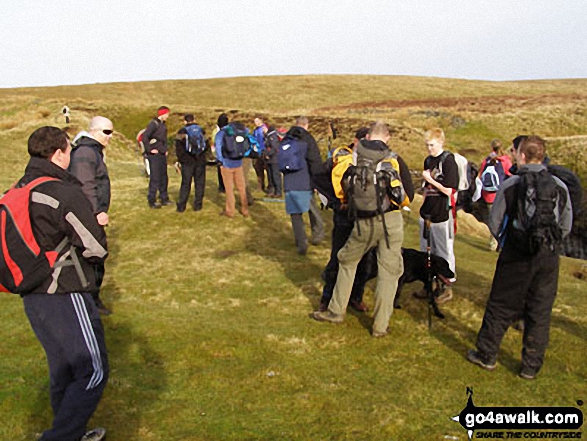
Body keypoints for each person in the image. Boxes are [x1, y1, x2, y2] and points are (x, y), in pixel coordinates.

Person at [18, 126, 109, 441]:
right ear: (58, 154)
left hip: (31, 293)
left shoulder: (17, 190)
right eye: (68, 151)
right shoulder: (62, 192)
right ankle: (60, 437)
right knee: (93, 370)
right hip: (64, 290)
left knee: (63, 370)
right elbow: (94, 248)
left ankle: (72, 432)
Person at [467, 135, 572, 379]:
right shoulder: (559, 186)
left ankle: (487, 354)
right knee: (540, 309)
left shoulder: (512, 184)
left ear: (522, 156)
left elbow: (494, 222)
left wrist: (506, 241)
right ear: (543, 156)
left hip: (515, 253)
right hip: (548, 256)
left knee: (501, 304)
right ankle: (530, 366)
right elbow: (565, 225)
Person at [311, 121, 414, 337]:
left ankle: (336, 310)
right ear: (387, 138)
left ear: (367, 137)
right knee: (389, 272)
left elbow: (333, 183)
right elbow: (407, 197)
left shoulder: (351, 157)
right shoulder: (393, 160)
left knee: (347, 261)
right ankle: (380, 327)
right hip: (391, 222)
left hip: (362, 221)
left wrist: (341, 202)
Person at [318, 127, 373, 312]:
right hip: (344, 218)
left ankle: (356, 297)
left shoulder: (373, 159)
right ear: (356, 141)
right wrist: (335, 202)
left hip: (365, 218)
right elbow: (319, 177)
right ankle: (327, 300)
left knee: (365, 261)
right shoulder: (341, 156)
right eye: (365, 141)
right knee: (338, 258)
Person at [69, 116, 113, 316]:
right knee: (94, 256)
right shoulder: (86, 152)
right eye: (106, 132)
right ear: (94, 131)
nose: (110, 137)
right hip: (88, 216)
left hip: (90, 215)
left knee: (94, 256)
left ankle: (90, 300)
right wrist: (96, 212)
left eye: (111, 132)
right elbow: (85, 184)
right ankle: (90, 302)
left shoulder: (91, 151)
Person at [416, 128, 459, 304]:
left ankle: (446, 286)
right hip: (427, 212)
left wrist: (431, 180)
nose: (429, 149)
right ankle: (429, 284)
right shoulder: (428, 160)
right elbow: (427, 188)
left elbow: (449, 190)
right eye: (427, 145)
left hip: (442, 213)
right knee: (426, 250)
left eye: (432, 145)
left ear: (441, 142)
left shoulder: (448, 161)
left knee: (443, 252)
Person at [282, 116, 325, 255]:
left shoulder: (286, 138)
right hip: (305, 181)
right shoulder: (308, 139)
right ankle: (317, 235)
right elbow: (315, 161)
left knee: (296, 215)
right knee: (312, 209)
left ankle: (301, 243)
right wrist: (318, 180)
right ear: (306, 125)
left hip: (290, 181)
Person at [479, 139, 513, 250]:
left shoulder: (487, 160)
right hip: (501, 195)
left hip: (488, 195)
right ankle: (501, 244)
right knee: (502, 219)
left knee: (492, 219)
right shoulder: (505, 161)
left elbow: (480, 175)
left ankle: (493, 244)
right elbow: (511, 174)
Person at [215, 115, 249, 218]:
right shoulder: (240, 130)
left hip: (227, 163)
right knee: (241, 188)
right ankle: (245, 210)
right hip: (238, 162)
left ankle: (230, 211)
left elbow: (218, 147)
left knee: (229, 189)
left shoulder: (221, 133)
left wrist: (220, 161)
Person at [175, 114, 207, 212]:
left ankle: (181, 206)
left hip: (187, 162)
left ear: (185, 121)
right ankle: (198, 205)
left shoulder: (181, 132)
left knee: (186, 183)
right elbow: (206, 146)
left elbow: (178, 149)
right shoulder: (201, 131)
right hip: (200, 160)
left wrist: (181, 160)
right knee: (200, 183)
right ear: (194, 120)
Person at [143, 106, 172, 209]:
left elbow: (163, 139)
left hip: (162, 154)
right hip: (154, 155)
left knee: (164, 177)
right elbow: (145, 137)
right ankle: (152, 199)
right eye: (167, 114)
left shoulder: (162, 124)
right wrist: (150, 149)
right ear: (162, 114)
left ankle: (164, 197)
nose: (168, 116)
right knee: (155, 177)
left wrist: (165, 150)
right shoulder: (153, 124)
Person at [263, 125, 282, 198]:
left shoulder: (272, 136)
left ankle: (278, 191)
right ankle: (272, 190)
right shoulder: (267, 136)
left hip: (274, 159)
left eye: (264, 128)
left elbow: (274, 148)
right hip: (270, 160)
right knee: (270, 176)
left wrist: (268, 154)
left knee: (275, 175)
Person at [211, 114, 226, 193]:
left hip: (219, 154)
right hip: (228, 154)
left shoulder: (216, 132)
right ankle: (226, 186)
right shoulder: (229, 130)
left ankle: (221, 186)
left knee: (220, 171)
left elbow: (214, 141)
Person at [253, 117, 268, 193]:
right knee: (258, 169)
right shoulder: (255, 130)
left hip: (264, 151)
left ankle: (270, 187)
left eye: (257, 121)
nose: (256, 123)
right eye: (255, 121)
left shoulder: (264, 129)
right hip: (257, 152)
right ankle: (260, 186)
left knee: (268, 169)